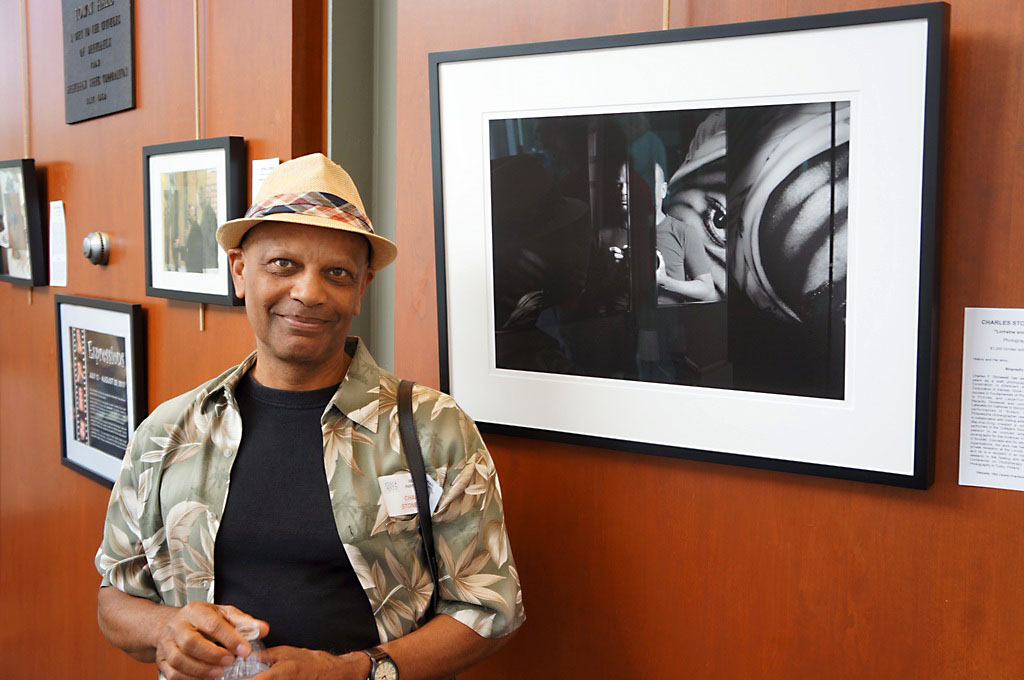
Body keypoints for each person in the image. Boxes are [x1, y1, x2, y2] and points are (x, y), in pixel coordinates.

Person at [95, 153, 525, 680]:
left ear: (361, 288)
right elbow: (115, 597)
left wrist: (351, 672)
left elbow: (490, 611)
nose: (308, 293)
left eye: (337, 273)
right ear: (240, 271)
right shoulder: (169, 432)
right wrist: (166, 629)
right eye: (283, 264)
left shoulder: (432, 428)